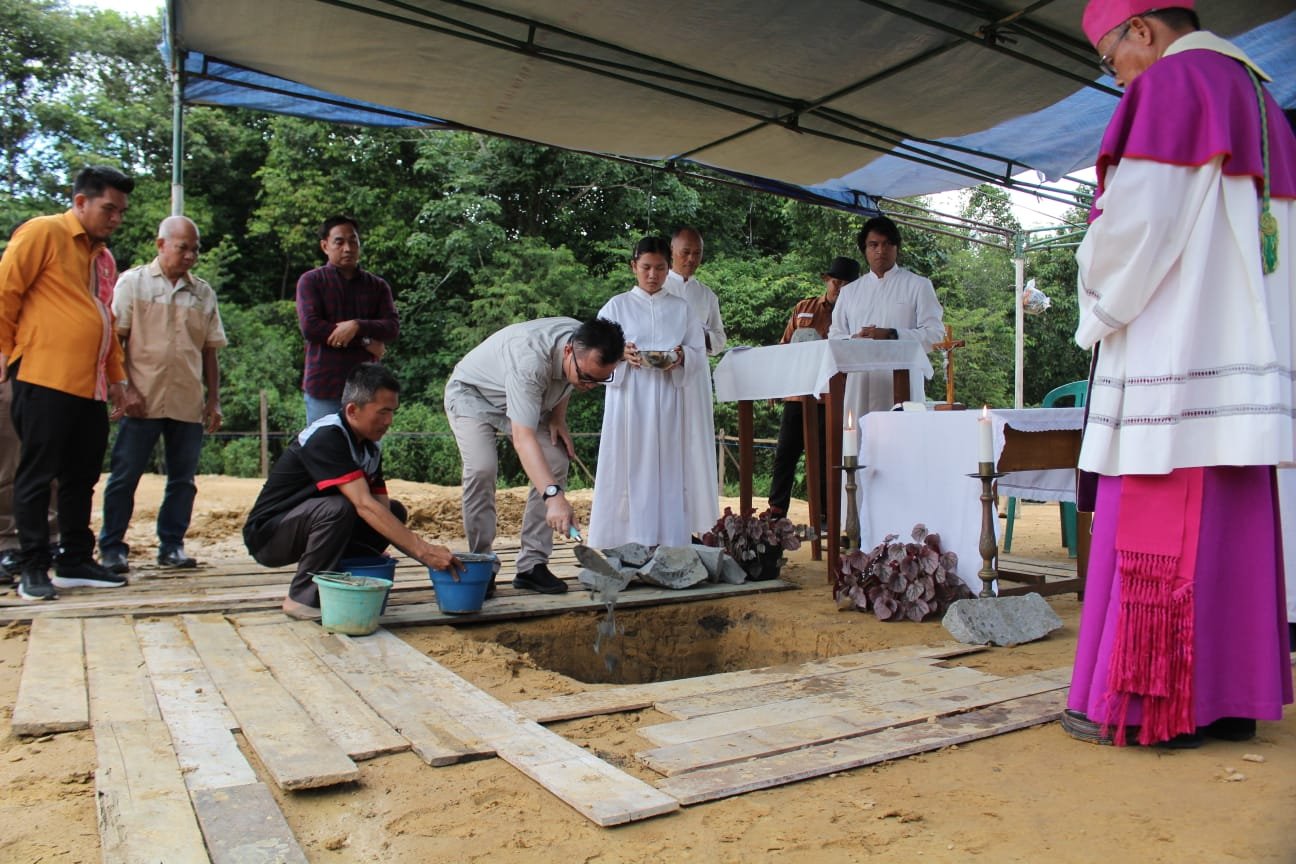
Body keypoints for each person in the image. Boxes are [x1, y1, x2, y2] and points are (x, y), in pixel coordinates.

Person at [1064, 1, 1294, 748]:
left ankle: (1152, 704)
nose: (1118, 77)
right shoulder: (1266, 105)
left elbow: (1135, 229)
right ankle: (1227, 701)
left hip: (1177, 358)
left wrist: (1090, 289)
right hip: (1242, 370)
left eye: (1112, 59)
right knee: (1233, 531)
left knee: (1165, 521)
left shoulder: (1172, 86)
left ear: (1143, 31)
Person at [0, 165, 143, 601]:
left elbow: (107, 320)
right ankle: (33, 564)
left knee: (82, 474)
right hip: (43, 375)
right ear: (80, 201)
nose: (115, 218)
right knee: (37, 473)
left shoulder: (103, 258)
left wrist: (117, 380)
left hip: (91, 385)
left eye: (121, 211)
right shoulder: (42, 233)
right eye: (108, 208)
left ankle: (75, 558)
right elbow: (5, 292)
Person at [244, 364, 460, 619]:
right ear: (352, 410)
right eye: (382, 412)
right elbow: (363, 504)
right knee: (339, 507)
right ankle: (301, 598)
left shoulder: (369, 447)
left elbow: (379, 506)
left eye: (392, 412)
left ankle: (345, 574)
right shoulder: (326, 437)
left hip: (312, 524)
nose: (389, 421)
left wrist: (378, 549)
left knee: (394, 510)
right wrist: (424, 552)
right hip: (270, 536)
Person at [445, 317, 624, 594]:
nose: (589, 386)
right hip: (474, 396)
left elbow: (569, 379)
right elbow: (523, 438)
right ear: (568, 352)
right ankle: (482, 562)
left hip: (530, 402)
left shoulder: (581, 341)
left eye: (599, 381)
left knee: (556, 458)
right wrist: (554, 498)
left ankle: (532, 565)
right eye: (587, 378)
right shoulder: (530, 358)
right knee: (482, 468)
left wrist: (558, 417)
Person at [98, 216, 226, 574]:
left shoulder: (203, 293)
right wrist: (123, 388)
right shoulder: (132, 283)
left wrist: (213, 399)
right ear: (161, 245)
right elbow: (115, 340)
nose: (189, 255)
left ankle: (172, 546)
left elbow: (210, 351)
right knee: (125, 475)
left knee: (183, 480)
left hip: (187, 401)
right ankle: (112, 548)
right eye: (182, 247)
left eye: (195, 249)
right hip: (141, 400)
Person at [588, 237, 706, 549]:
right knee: (627, 464)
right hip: (629, 398)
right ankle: (620, 541)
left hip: (668, 398)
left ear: (669, 269)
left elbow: (698, 352)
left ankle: (666, 541)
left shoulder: (681, 308)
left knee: (667, 466)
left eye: (660, 268)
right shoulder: (616, 306)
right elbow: (593, 352)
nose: (652, 275)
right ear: (633, 267)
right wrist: (619, 354)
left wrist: (682, 358)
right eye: (646, 268)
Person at [768, 256, 861, 519]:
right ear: (826, 280)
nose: (839, 288)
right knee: (785, 452)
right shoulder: (804, 307)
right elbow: (785, 346)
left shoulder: (856, 316)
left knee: (824, 457)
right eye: (836, 282)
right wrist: (776, 385)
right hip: (798, 393)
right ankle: (776, 509)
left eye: (846, 284)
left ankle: (824, 515)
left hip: (832, 397)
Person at [828, 216, 945, 426]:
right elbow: (835, 337)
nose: (880, 250)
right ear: (864, 249)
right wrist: (854, 339)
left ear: (896, 247)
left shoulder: (918, 285)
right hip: (860, 384)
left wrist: (892, 334)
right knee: (860, 447)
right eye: (873, 245)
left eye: (887, 244)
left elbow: (935, 334)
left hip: (902, 385)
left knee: (903, 445)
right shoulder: (849, 292)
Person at [296, 215, 399, 425]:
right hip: (323, 387)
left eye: (353, 241)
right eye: (339, 241)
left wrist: (357, 326)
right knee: (323, 450)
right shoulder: (311, 281)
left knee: (365, 453)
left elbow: (391, 327)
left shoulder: (377, 286)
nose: (348, 248)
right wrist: (365, 341)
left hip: (367, 388)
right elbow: (311, 328)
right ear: (325, 246)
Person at [663, 226, 723, 536]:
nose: (691, 259)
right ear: (672, 252)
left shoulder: (706, 295)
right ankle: (668, 524)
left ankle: (700, 526)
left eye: (697, 253)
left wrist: (700, 334)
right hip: (665, 378)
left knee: (698, 446)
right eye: (685, 252)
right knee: (668, 445)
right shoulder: (659, 288)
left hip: (696, 378)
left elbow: (720, 339)